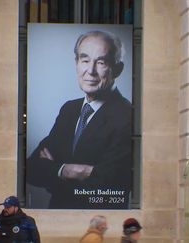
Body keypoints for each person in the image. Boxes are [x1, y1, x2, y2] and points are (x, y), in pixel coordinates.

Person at [27, 30, 133, 209]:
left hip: (101, 219)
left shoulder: (127, 115)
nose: (90, 71)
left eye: (101, 62)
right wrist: (70, 170)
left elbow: (113, 181)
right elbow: (32, 169)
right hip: (58, 217)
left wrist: (55, 170)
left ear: (117, 69)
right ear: (76, 63)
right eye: (84, 60)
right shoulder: (69, 109)